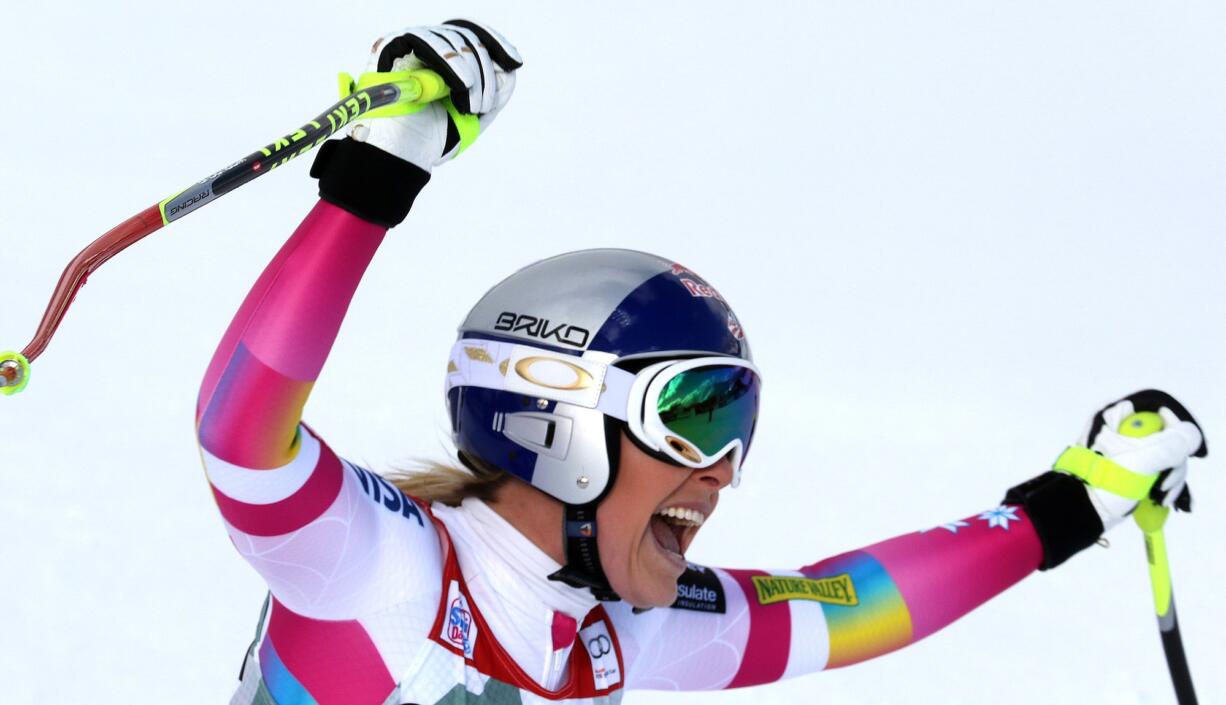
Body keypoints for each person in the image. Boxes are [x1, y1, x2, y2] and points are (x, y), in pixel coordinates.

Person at [195, 21, 1207, 705]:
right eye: (697, 416)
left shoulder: (630, 629)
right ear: (559, 428)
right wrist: (376, 174)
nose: (721, 471)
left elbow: (851, 604)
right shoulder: (380, 562)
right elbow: (240, 430)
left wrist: (1071, 503)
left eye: (736, 424)